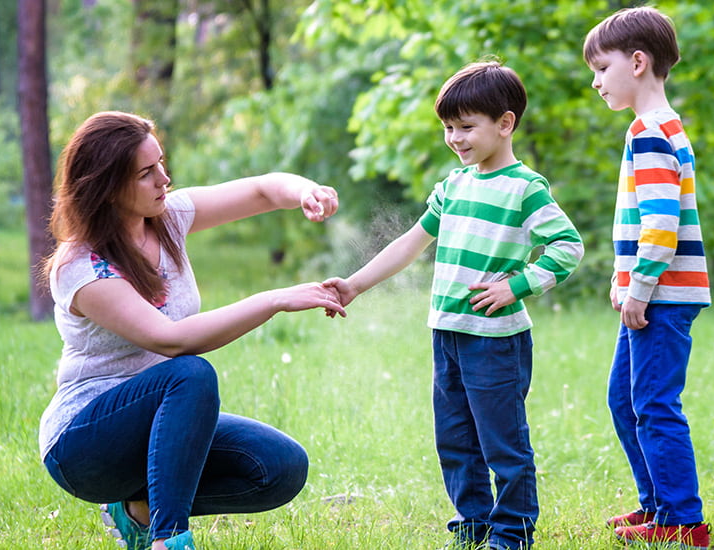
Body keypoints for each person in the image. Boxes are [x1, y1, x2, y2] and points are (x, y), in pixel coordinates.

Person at [37, 111, 345, 550]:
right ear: (107, 188)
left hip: (163, 420)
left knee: (280, 466)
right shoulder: (81, 266)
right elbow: (170, 340)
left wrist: (304, 191)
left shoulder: (168, 218)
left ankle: (136, 512)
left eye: (161, 163)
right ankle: (169, 539)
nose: (164, 179)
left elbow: (260, 191)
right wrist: (274, 299)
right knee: (189, 373)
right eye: (147, 173)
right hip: (85, 444)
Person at [325, 61, 584, 550]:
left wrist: (519, 285)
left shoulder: (526, 188)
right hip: (447, 332)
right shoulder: (454, 186)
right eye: (448, 127)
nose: (455, 138)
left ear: (504, 124)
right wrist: (355, 285)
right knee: (455, 440)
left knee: (501, 444)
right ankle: (473, 526)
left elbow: (568, 247)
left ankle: (511, 534)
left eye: (466, 127)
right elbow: (408, 243)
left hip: (496, 341)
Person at [583, 7, 712, 549]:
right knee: (624, 399)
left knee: (654, 404)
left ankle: (684, 521)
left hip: (660, 295)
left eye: (601, 68)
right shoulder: (654, 128)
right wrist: (628, 281)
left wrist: (639, 289)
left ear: (638, 63)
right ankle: (657, 505)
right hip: (651, 292)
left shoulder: (651, 133)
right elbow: (649, 220)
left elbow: (662, 224)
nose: (595, 82)